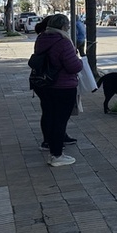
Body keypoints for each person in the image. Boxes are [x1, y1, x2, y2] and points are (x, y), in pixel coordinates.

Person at [32, 14, 82, 167]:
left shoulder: (42, 38)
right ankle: (57, 155)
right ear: (63, 26)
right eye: (67, 25)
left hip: (44, 85)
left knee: (50, 116)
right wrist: (78, 60)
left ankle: (49, 145)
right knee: (60, 121)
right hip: (63, 86)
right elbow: (73, 66)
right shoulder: (63, 42)